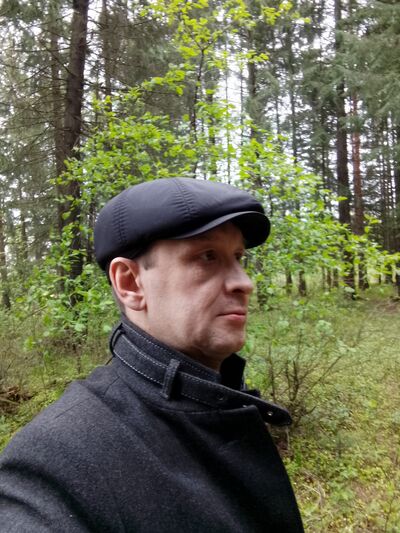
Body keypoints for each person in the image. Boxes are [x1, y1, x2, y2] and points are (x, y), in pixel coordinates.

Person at [0, 178, 303, 532]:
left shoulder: (226, 401)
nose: (244, 282)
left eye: (238, 257)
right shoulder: (57, 459)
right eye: (207, 256)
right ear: (130, 283)